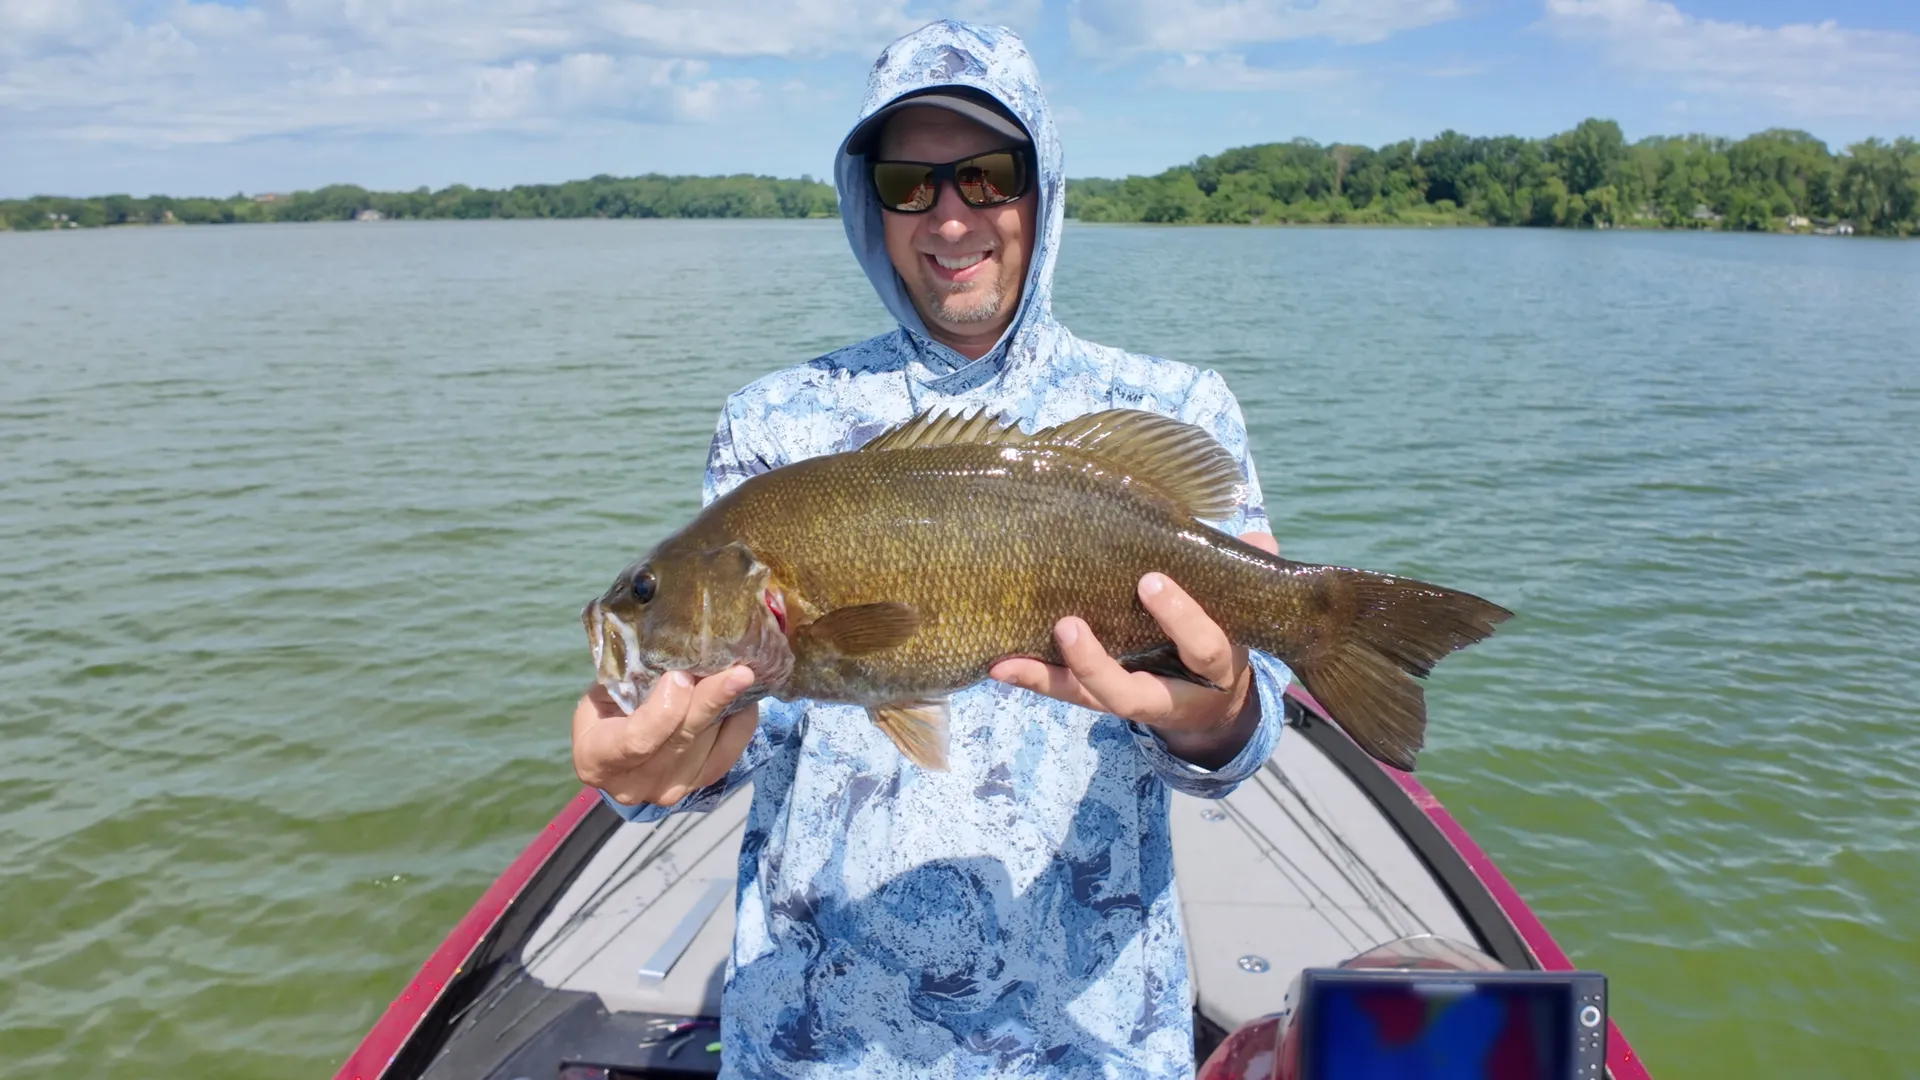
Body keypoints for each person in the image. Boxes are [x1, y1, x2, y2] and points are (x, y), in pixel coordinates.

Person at [571, 19, 1294, 1079]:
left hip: (1089, 1042)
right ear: (871, 203)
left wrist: (1225, 710)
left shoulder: (1172, 405)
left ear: (1042, 187)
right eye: (910, 184)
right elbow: (752, 727)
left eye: (986, 175)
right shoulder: (777, 424)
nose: (950, 217)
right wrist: (653, 764)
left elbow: (1248, 728)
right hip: (819, 1044)